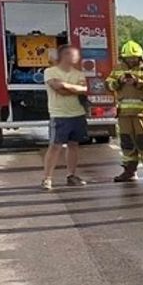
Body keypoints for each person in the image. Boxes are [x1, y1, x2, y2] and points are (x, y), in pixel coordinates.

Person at [108, 40, 143, 182]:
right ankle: (129, 171)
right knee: (127, 143)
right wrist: (119, 81)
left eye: (134, 57)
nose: (131, 60)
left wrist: (138, 83)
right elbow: (108, 84)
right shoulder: (118, 68)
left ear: (140, 57)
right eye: (128, 58)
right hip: (125, 114)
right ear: (123, 57)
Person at [41, 45, 88, 190]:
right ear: (64, 55)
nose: (76, 57)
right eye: (73, 54)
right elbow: (58, 89)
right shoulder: (49, 71)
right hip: (59, 115)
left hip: (78, 113)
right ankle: (47, 178)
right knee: (55, 146)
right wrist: (73, 88)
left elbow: (84, 89)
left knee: (74, 145)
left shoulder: (79, 74)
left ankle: (71, 175)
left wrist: (65, 85)